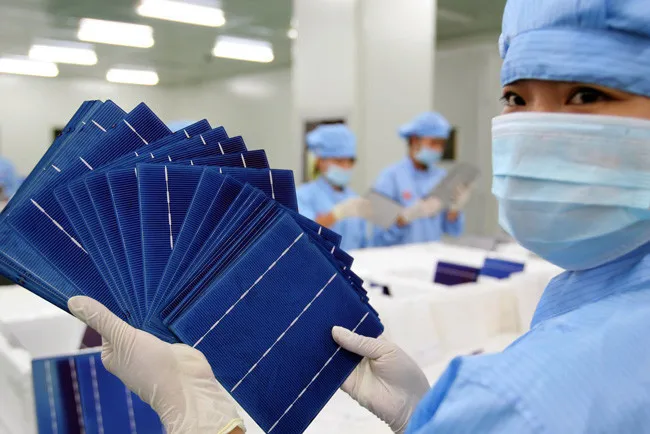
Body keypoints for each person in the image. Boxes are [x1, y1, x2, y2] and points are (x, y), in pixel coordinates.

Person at [67, 0, 650, 432]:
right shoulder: (597, 299)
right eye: (516, 98)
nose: (536, 131)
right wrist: (424, 415)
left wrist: (199, 416)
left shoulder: (530, 400)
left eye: (586, 95)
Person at [373, 112, 469, 246]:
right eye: (433, 143)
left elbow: (452, 233)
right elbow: (378, 238)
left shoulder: (441, 176)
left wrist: (454, 210)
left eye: (441, 144)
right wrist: (404, 218)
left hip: (432, 254)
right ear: (414, 141)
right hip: (400, 257)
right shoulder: (389, 177)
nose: (438, 149)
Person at [297, 124, 373, 251]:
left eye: (350, 161)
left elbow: (364, 245)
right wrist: (334, 215)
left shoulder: (354, 199)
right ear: (320, 161)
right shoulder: (303, 196)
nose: (346, 167)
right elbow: (303, 235)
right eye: (339, 161)